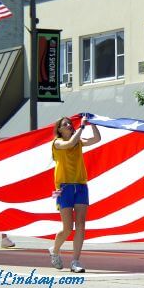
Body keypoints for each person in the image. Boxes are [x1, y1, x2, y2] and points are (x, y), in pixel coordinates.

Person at [49, 115, 101, 273]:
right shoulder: (57, 143)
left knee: (80, 225)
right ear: (59, 129)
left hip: (80, 186)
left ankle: (75, 261)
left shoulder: (78, 139)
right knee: (67, 228)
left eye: (71, 124)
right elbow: (69, 143)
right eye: (66, 124)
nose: (70, 126)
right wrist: (82, 127)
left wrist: (93, 123)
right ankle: (55, 250)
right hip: (64, 188)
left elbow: (97, 139)